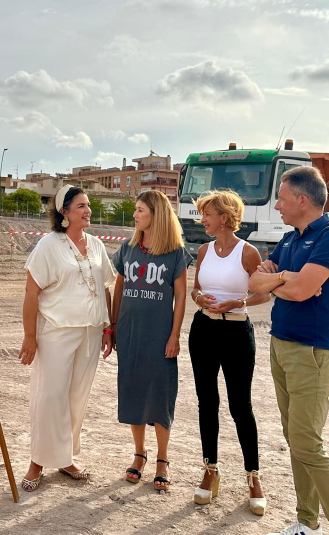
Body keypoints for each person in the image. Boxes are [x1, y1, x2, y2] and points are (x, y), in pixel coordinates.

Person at [248, 166, 329, 535]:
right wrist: (285, 279)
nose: (276, 205)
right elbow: (257, 283)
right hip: (281, 344)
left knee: (308, 444)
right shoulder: (292, 239)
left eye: (281, 197)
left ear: (302, 200)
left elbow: (300, 291)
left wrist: (286, 281)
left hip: (312, 351)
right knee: (295, 440)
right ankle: (306, 524)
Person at [18, 185, 117, 492]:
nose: (88, 211)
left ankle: (66, 458)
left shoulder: (97, 245)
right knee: (50, 398)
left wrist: (107, 327)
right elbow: (31, 292)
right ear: (64, 213)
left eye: (88, 205)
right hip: (56, 333)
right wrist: (30, 337)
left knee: (77, 398)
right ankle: (37, 461)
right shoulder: (49, 245)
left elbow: (105, 288)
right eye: (81, 206)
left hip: (90, 331)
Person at [188, 190, 271, 514]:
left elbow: (265, 295)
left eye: (207, 214)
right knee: (207, 402)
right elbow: (196, 288)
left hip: (237, 331)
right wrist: (198, 298)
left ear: (224, 216)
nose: (203, 219)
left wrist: (241, 302)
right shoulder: (203, 250)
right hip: (203, 331)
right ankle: (211, 471)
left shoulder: (248, 253)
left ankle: (253, 477)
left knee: (240, 406)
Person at [111, 191, 192, 492]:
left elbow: (182, 296)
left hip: (160, 334)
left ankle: (162, 459)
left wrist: (174, 335)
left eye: (140, 210)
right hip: (130, 332)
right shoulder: (128, 248)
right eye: (135, 209)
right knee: (133, 391)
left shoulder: (175, 253)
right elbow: (119, 286)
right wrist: (114, 324)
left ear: (156, 214)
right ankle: (139, 454)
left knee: (160, 395)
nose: (135, 215)